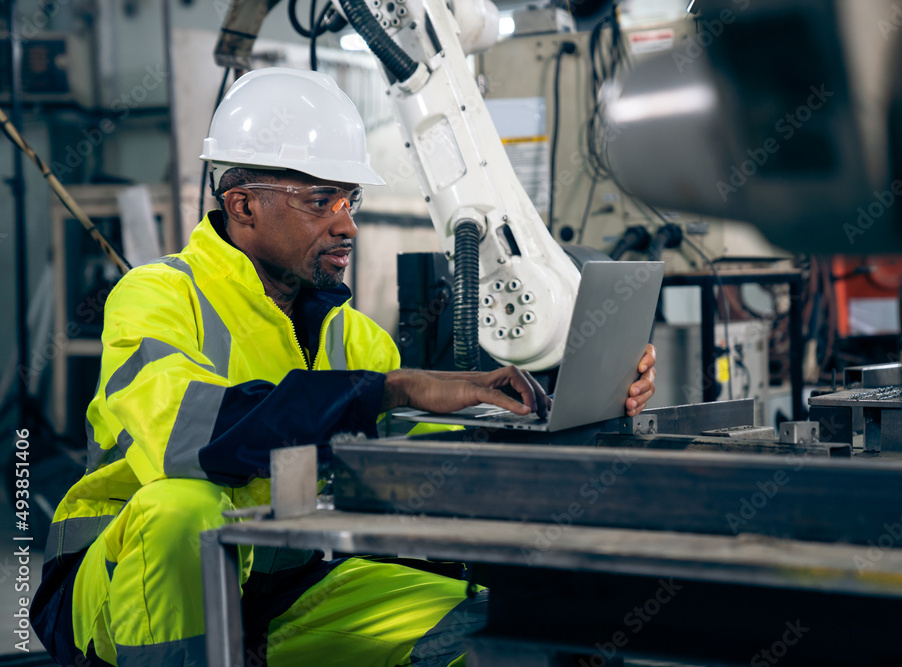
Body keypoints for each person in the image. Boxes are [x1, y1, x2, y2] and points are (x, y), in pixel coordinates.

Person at [30, 67, 657, 667]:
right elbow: (182, 439)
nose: (348, 224)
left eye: (350, 200)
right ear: (243, 205)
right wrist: (387, 389)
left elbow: (423, 462)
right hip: (119, 593)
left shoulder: (351, 335)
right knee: (183, 512)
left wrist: (549, 399)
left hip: (286, 590)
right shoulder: (157, 295)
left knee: (490, 632)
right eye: (321, 201)